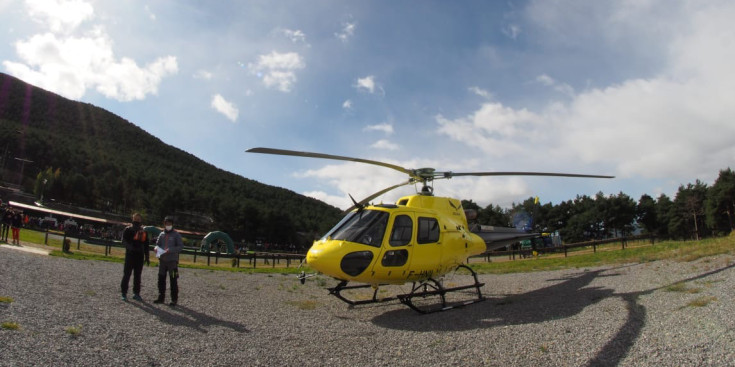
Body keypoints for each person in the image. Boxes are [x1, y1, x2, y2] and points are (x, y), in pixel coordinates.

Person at [154, 216, 184, 306]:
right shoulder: (161, 234)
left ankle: (174, 299)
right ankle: (161, 297)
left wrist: (170, 250)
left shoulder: (176, 235)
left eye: (169, 224)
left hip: (172, 262)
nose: (168, 225)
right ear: (164, 224)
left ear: (172, 224)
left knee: (173, 280)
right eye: (166, 223)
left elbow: (180, 247)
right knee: (161, 279)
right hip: (162, 261)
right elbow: (157, 244)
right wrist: (156, 248)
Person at [120, 213, 150, 302]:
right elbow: (123, 240)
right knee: (127, 274)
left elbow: (146, 245)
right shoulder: (128, 229)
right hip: (130, 255)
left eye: (138, 219)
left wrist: (147, 256)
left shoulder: (144, 231)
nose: (136, 220)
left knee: (138, 275)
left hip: (139, 256)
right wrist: (130, 247)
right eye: (135, 219)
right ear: (132, 219)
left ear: (141, 220)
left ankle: (136, 293)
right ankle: (124, 293)